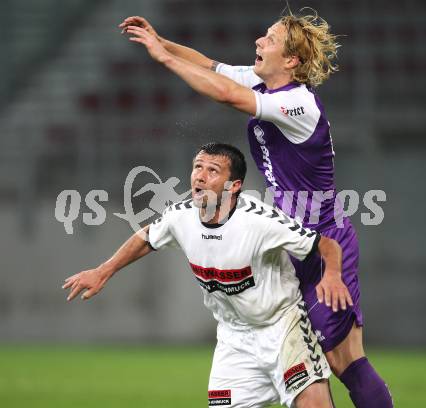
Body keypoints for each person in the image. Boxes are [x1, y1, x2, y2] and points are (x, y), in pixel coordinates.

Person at [118, 9, 393, 408]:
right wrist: (161, 43)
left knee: (344, 359)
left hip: (322, 239)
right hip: (286, 238)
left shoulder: (298, 103)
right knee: (306, 352)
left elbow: (226, 93)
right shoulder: (265, 83)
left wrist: (165, 60)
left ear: (292, 61)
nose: (258, 43)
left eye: (269, 39)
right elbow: (212, 67)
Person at [63, 143, 353, 408]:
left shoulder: (260, 221)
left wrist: (333, 276)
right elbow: (147, 237)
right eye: (197, 167)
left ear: (233, 186)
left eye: (212, 170)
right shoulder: (181, 216)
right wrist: (102, 272)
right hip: (234, 339)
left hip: (282, 328)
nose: (199, 176)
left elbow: (326, 245)